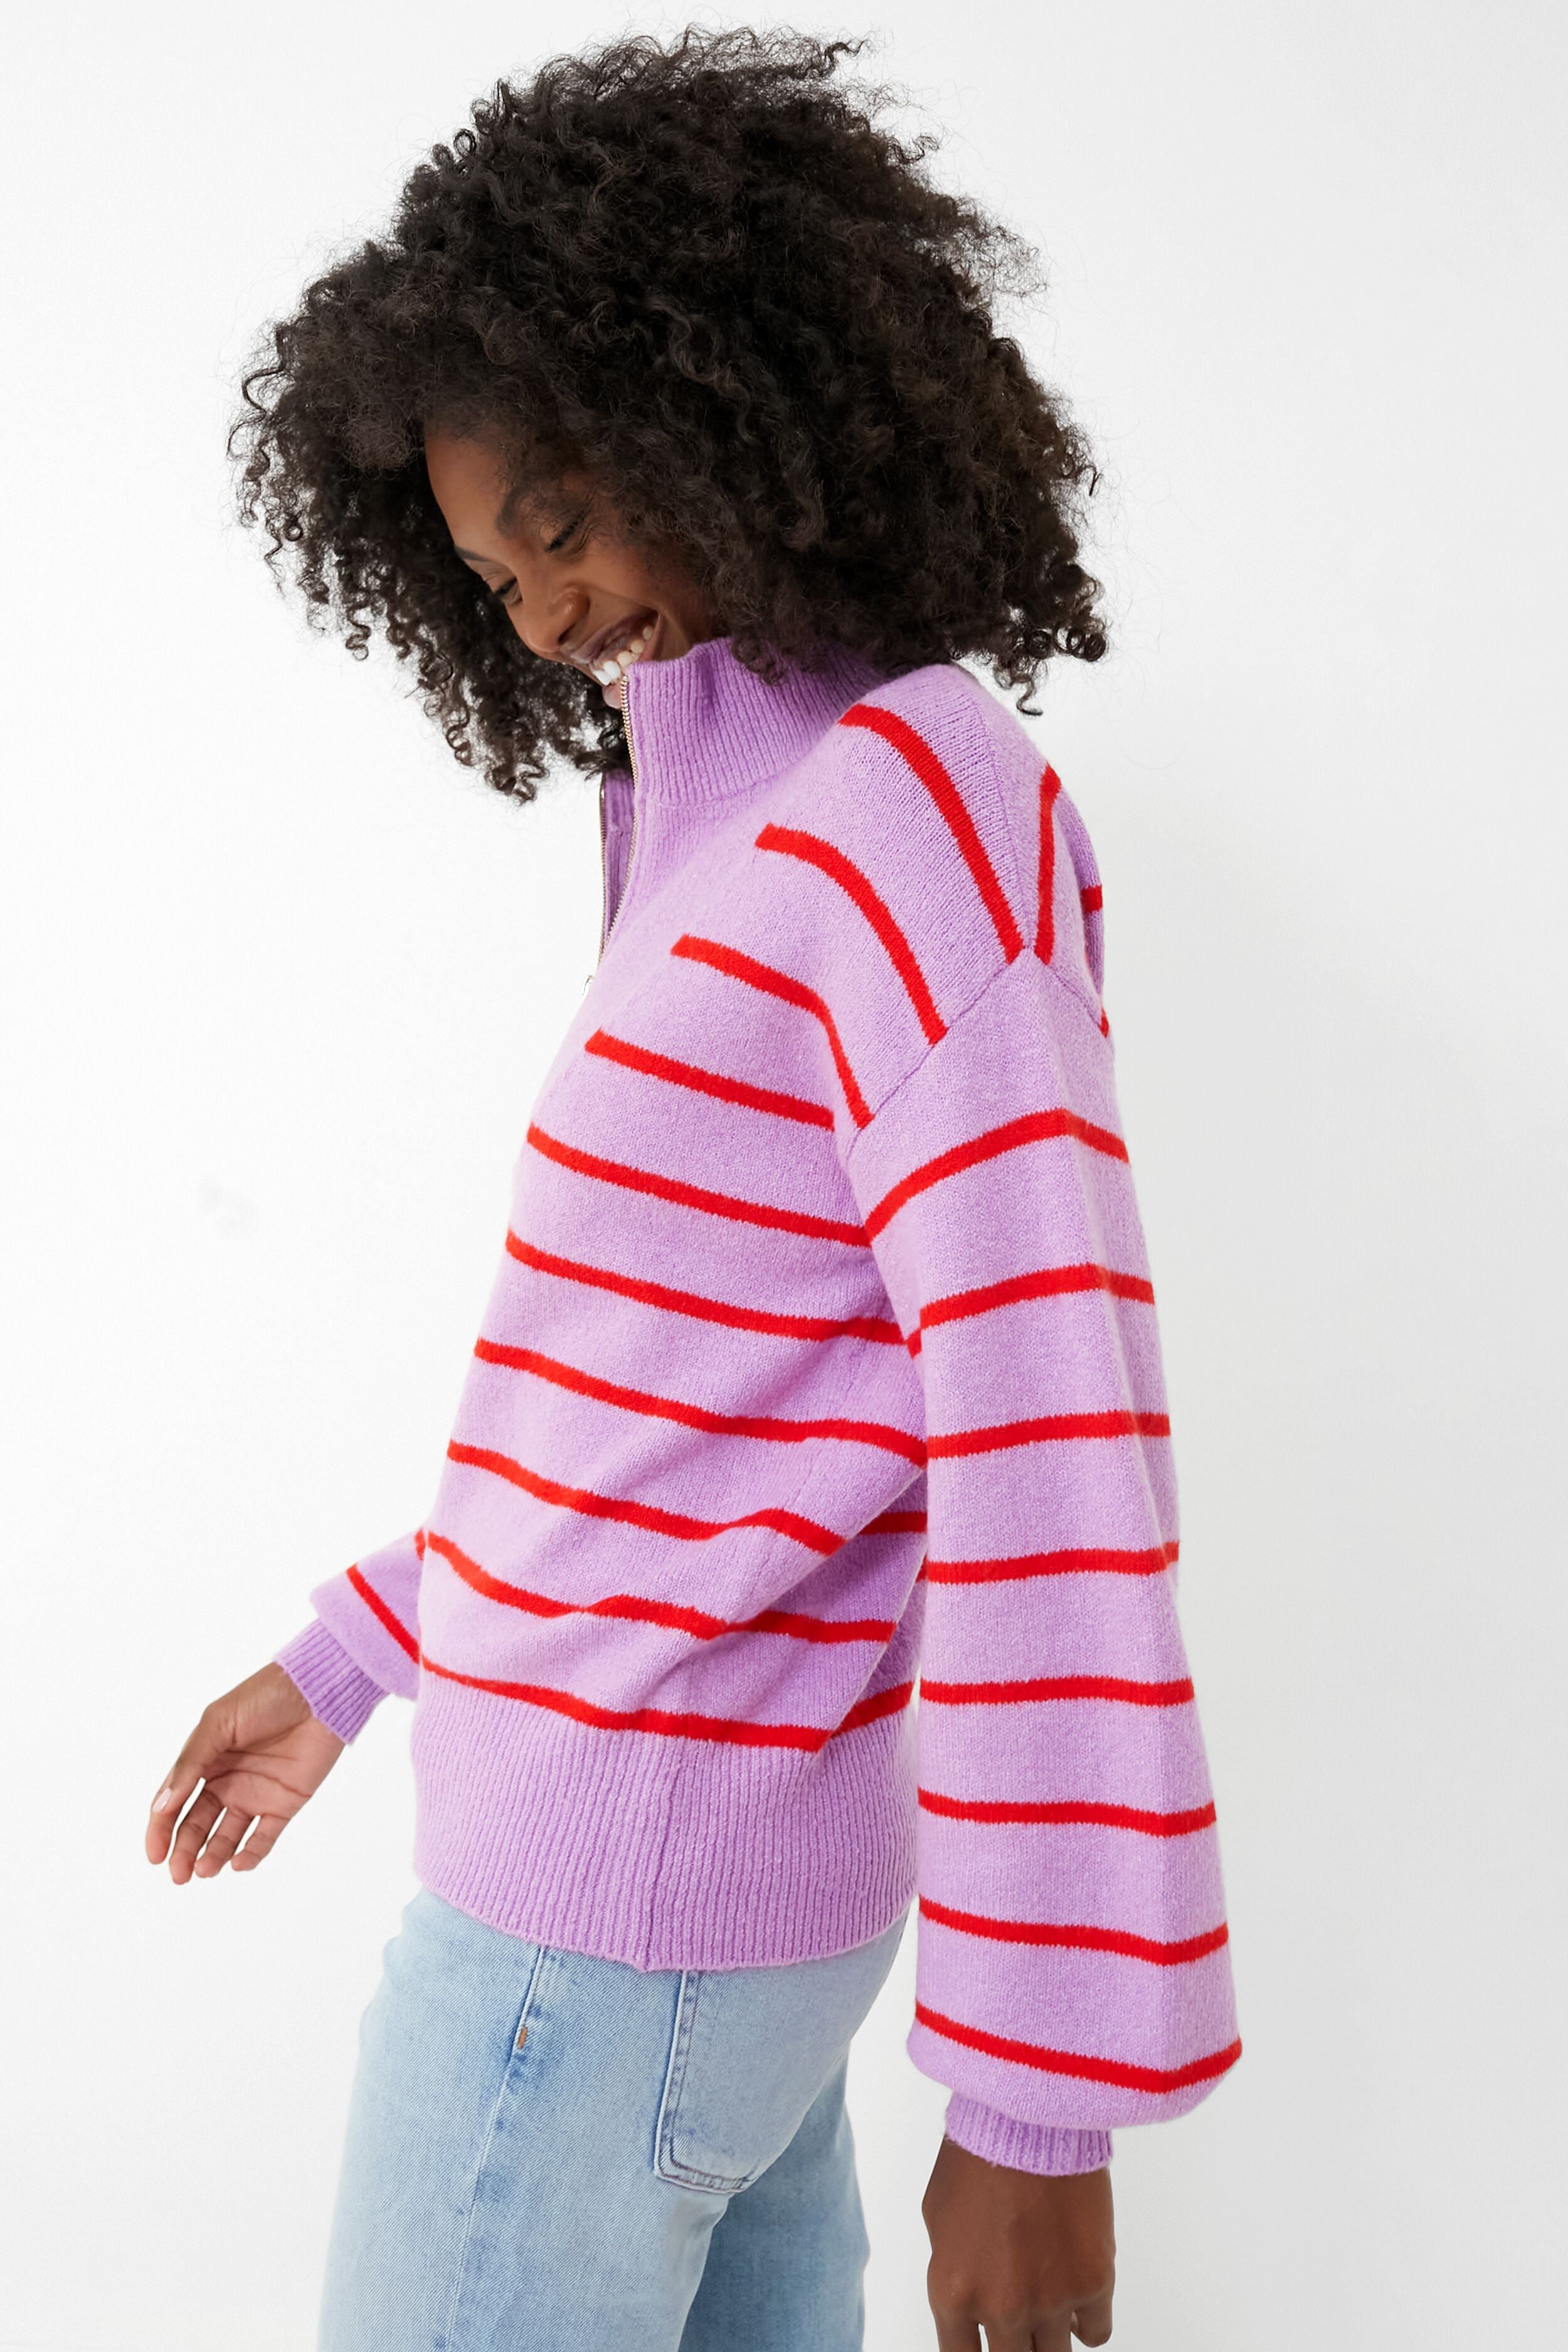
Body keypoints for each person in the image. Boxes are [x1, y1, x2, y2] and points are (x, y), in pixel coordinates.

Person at [144, 30, 1239, 2350]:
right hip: (681, 1914)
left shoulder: (900, 816)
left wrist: (1041, 2101)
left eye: (563, 521)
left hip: (596, 1947)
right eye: (488, 571)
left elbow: (1048, 1440)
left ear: (728, 400)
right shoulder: (722, 808)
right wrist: (365, 1647)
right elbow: (681, 1402)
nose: (541, 612)